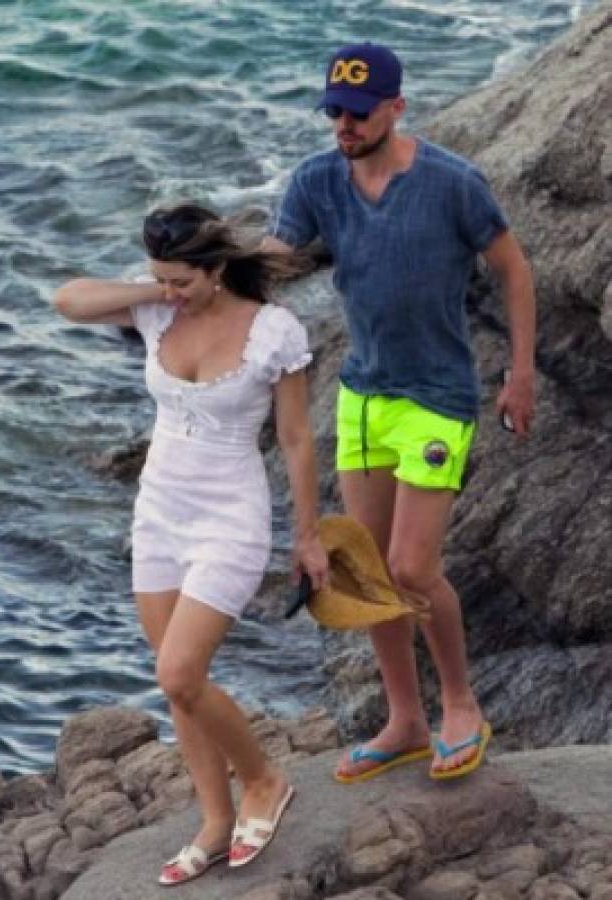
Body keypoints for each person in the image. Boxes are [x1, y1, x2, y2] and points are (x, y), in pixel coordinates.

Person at [264, 42, 535, 781]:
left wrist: (519, 373)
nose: (343, 126)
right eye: (334, 111)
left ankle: (460, 706)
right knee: (366, 572)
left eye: (357, 113)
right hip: (362, 398)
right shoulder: (317, 180)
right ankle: (406, 720)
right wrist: (195, 275)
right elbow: (275, 258)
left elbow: (514, 272)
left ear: (396, 107)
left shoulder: (452, 182)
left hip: (438, 398)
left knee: (412, 568)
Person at [54, 203, 329, 884]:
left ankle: (263, 780)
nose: (170, 292)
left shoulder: (272, 331)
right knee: (179, 687)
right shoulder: (157, 311)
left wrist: (308, 535)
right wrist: (156, 290)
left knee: (179, 673)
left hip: (229, 517)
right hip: (158, 514)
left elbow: (295, 439)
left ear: (216, 270)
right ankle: (214, 819)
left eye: (181, 280)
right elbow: (68, 301)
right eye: (161, 278)